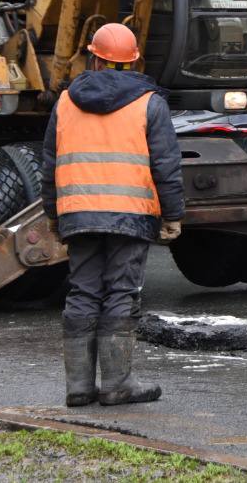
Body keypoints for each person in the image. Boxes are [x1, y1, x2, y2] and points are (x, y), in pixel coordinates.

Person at [42, 23, 184, 407]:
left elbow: (49, 165)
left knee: (83, 291)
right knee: (121, 292)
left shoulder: (66, 101)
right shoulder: (149, 103)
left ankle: (79, 387)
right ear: (133, 61)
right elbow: (166, 165)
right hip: (131, 214)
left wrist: (54, 217)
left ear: (95, 56)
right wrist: (172, 214)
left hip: (78, 213)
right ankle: (117, 384)